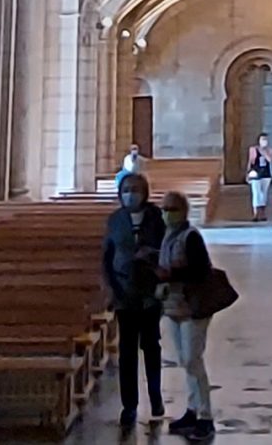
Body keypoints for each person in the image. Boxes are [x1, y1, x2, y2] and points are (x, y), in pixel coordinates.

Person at [156, 190, 225, 439]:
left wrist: (170, 274)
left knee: (193, 360)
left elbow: (199, 271)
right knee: (185, 361)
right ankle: (192, 410)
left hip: (193, 308)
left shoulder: (191, 236)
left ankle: (205, 417)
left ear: (183, 212)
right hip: (173, 306)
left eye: (171, 209)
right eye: (164, 209)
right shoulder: (167, 236)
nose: (166, 214)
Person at [101, 171, 166, 431]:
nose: (131, 194)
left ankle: (156, 398)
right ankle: (129, 405)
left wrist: (152, 259)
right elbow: (108, 257)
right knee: (127, 352)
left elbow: (167, 249)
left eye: (136, 189)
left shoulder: (155, 218)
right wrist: (114, 289)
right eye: (126, 189)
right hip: (124, 294)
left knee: (151, 348)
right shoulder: (115, 220)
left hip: (150, 294)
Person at [244, 137, 272, 219]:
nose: (264, 141)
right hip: (255, 173)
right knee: (256, 193)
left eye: (265, 140)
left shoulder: (269, 150)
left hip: (266, 174)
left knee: (264, 194)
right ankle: (256, 213)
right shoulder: (253, 149)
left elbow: (270, 159)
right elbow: (250, 161)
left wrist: (264, 152)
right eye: (262, 140)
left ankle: (263, 213)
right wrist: (248, 173)